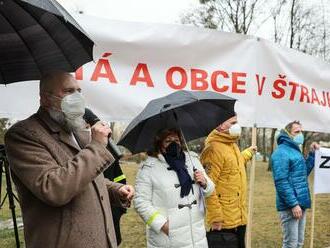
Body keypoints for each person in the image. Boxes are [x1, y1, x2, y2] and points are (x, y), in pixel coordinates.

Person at [4, 71, 134, 248]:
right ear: (45, 98)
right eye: (68, 91)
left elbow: (86, 179)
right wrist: (95, 146)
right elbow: (54, 188)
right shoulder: (24, 135)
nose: (77, 97)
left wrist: (114, 190)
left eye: (79, 91)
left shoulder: (76, 131)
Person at [134, 128, 215, 248]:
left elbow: (210, 190)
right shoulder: (148, 168)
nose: (173, 144)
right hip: (168, 239)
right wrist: (162, 225)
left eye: (176, 140)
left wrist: (205, 183)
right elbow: (140, 202)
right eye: (168, 141)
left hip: (196, 237)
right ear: (159, 144)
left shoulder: (192, 160)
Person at [200, 115, 257, 248]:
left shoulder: (231, 144)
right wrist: (215, 217)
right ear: (220, 125)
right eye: (233, 122)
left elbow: (233, 166)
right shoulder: (213, 149)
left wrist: (247, 153)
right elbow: (207, 186)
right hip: (223, 222)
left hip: (239, 216)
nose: (237, 125)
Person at [271, 121, 319, 248]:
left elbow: (302, 173)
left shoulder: (295, 151)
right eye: (297, 132)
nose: (300, 134)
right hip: (290, 207)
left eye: (301, 131)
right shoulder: (281, 153)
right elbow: (281, 182)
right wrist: (293, 204)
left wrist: (312, 154)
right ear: (287, 133)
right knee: (290, 244)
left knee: (298, 243)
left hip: (301, 203)